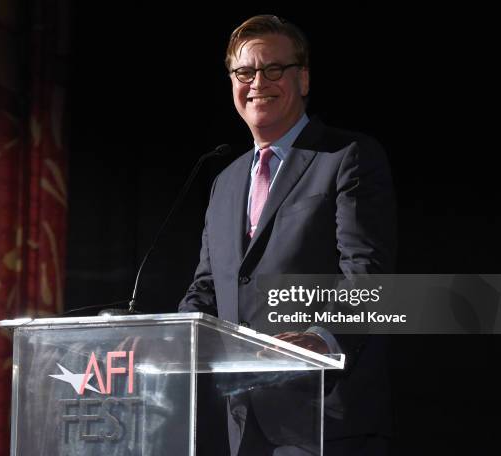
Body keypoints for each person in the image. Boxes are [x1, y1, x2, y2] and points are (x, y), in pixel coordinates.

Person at [179, 14, 397, 456]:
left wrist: (322, 339)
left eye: (273, 69)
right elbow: (207, 287)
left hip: (324, 417)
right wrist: (165, 337)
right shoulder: (224, 180)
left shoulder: (346, 157)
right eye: (245, 71)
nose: (258, 81)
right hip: (241, 421)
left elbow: (368, 274)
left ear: (303, 78)